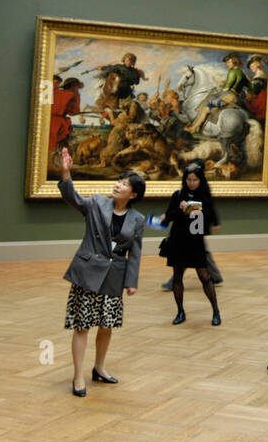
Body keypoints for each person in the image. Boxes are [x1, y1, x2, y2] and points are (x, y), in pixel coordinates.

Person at [58, 147, 145, 397]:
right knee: (82, 325)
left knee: (106, 326)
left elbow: (135, 252)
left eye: (124, 184)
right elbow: (73, 198)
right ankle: (78, 376)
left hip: (114, 275)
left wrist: (131, 282)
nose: (118, 185)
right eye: (119, 181)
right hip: (88, 273)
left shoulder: (137, 219)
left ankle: (99, 368)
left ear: (133, 194)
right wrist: (66, 173)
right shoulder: (97, 203)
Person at [159, 161, 223, 325]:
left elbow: (210, 216)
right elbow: (169, 216)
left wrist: (199, 211)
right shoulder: (178, 195)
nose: (192, 183)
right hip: (178, 239)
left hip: (196, 241)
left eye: (195, 180)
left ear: (200, 180)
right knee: (177, 277)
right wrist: (180, 209)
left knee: (204, 276)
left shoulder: (204, 197)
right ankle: (180, 311)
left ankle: (216, 311)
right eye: (189, 180)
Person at [244, 55, 267, 121]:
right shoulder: (263, 74)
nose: (251, 68)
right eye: (250, 67)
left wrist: (247, 92)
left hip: (260, 101)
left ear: (258, 64)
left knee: (244, 102)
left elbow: (254, 92)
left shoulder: (259, 75)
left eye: (253, 66)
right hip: (263, 97)